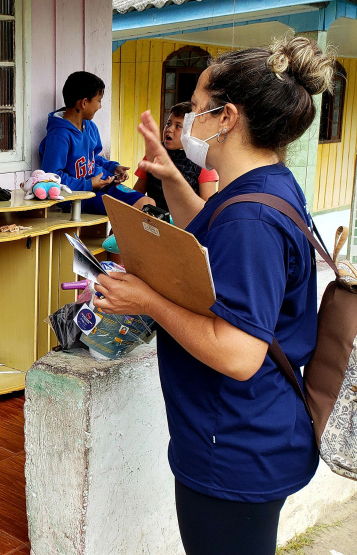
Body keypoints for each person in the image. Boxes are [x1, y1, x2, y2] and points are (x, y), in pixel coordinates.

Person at [93, 36, 334, 554]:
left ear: (226, 118)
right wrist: (169, 178)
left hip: (235, 447)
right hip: (249, 435)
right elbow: (210, 235)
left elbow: (240, 354)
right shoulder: (264, 186)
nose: (190, 121)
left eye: (198, 109)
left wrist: (148, 300)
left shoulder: (251, 217)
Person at [39, 70, 155, 214]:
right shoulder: (59, 135)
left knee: (147, 204)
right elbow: (50, 177)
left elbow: (93, 159)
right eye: (99, 101)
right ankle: (115, 236)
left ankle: (117, 235)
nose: (100, 106)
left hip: (101, 186)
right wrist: (88, 184)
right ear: (84, 103)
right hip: (77, 196)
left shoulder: (90, 127)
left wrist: (113, 167)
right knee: (131, 211)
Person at [133, 102, 219, 212]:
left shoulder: (203, 161)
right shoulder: (154, 153)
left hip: (184, 226)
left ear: (192, 132)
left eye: (178, 126)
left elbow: (207, 209)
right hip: (152, 222)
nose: (170, 129)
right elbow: (137, 192)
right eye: (168, 124)